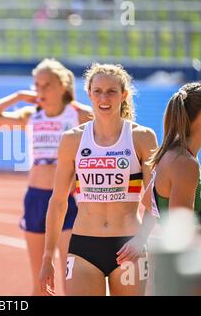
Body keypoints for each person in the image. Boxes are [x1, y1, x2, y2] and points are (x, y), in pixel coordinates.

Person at [39, 63, 158, 296]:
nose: (104, 97)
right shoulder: (72, 140)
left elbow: (155, 198)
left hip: (129, 246)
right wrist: (47, 256)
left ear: (123, 95)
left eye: (112, 91)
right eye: (98, 91)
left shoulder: (141, 137)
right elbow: (58, 202)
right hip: (83, 247)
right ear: (89, 94)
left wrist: (141, 239)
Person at [0, 58, 92, 295]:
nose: (40, 90)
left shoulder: (80, 115)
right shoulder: (31, 115)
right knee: (40, 283)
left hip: (68, 202)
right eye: (36, 85)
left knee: (72, 279)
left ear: (63, 86)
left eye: (46, 85)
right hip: (36, 199)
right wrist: (18, 96)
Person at [142, 82, 201, 229]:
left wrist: (140, 240)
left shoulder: (177, 154)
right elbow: (182, 233)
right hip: (181, 251)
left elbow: (148, 202)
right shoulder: (184, 162)